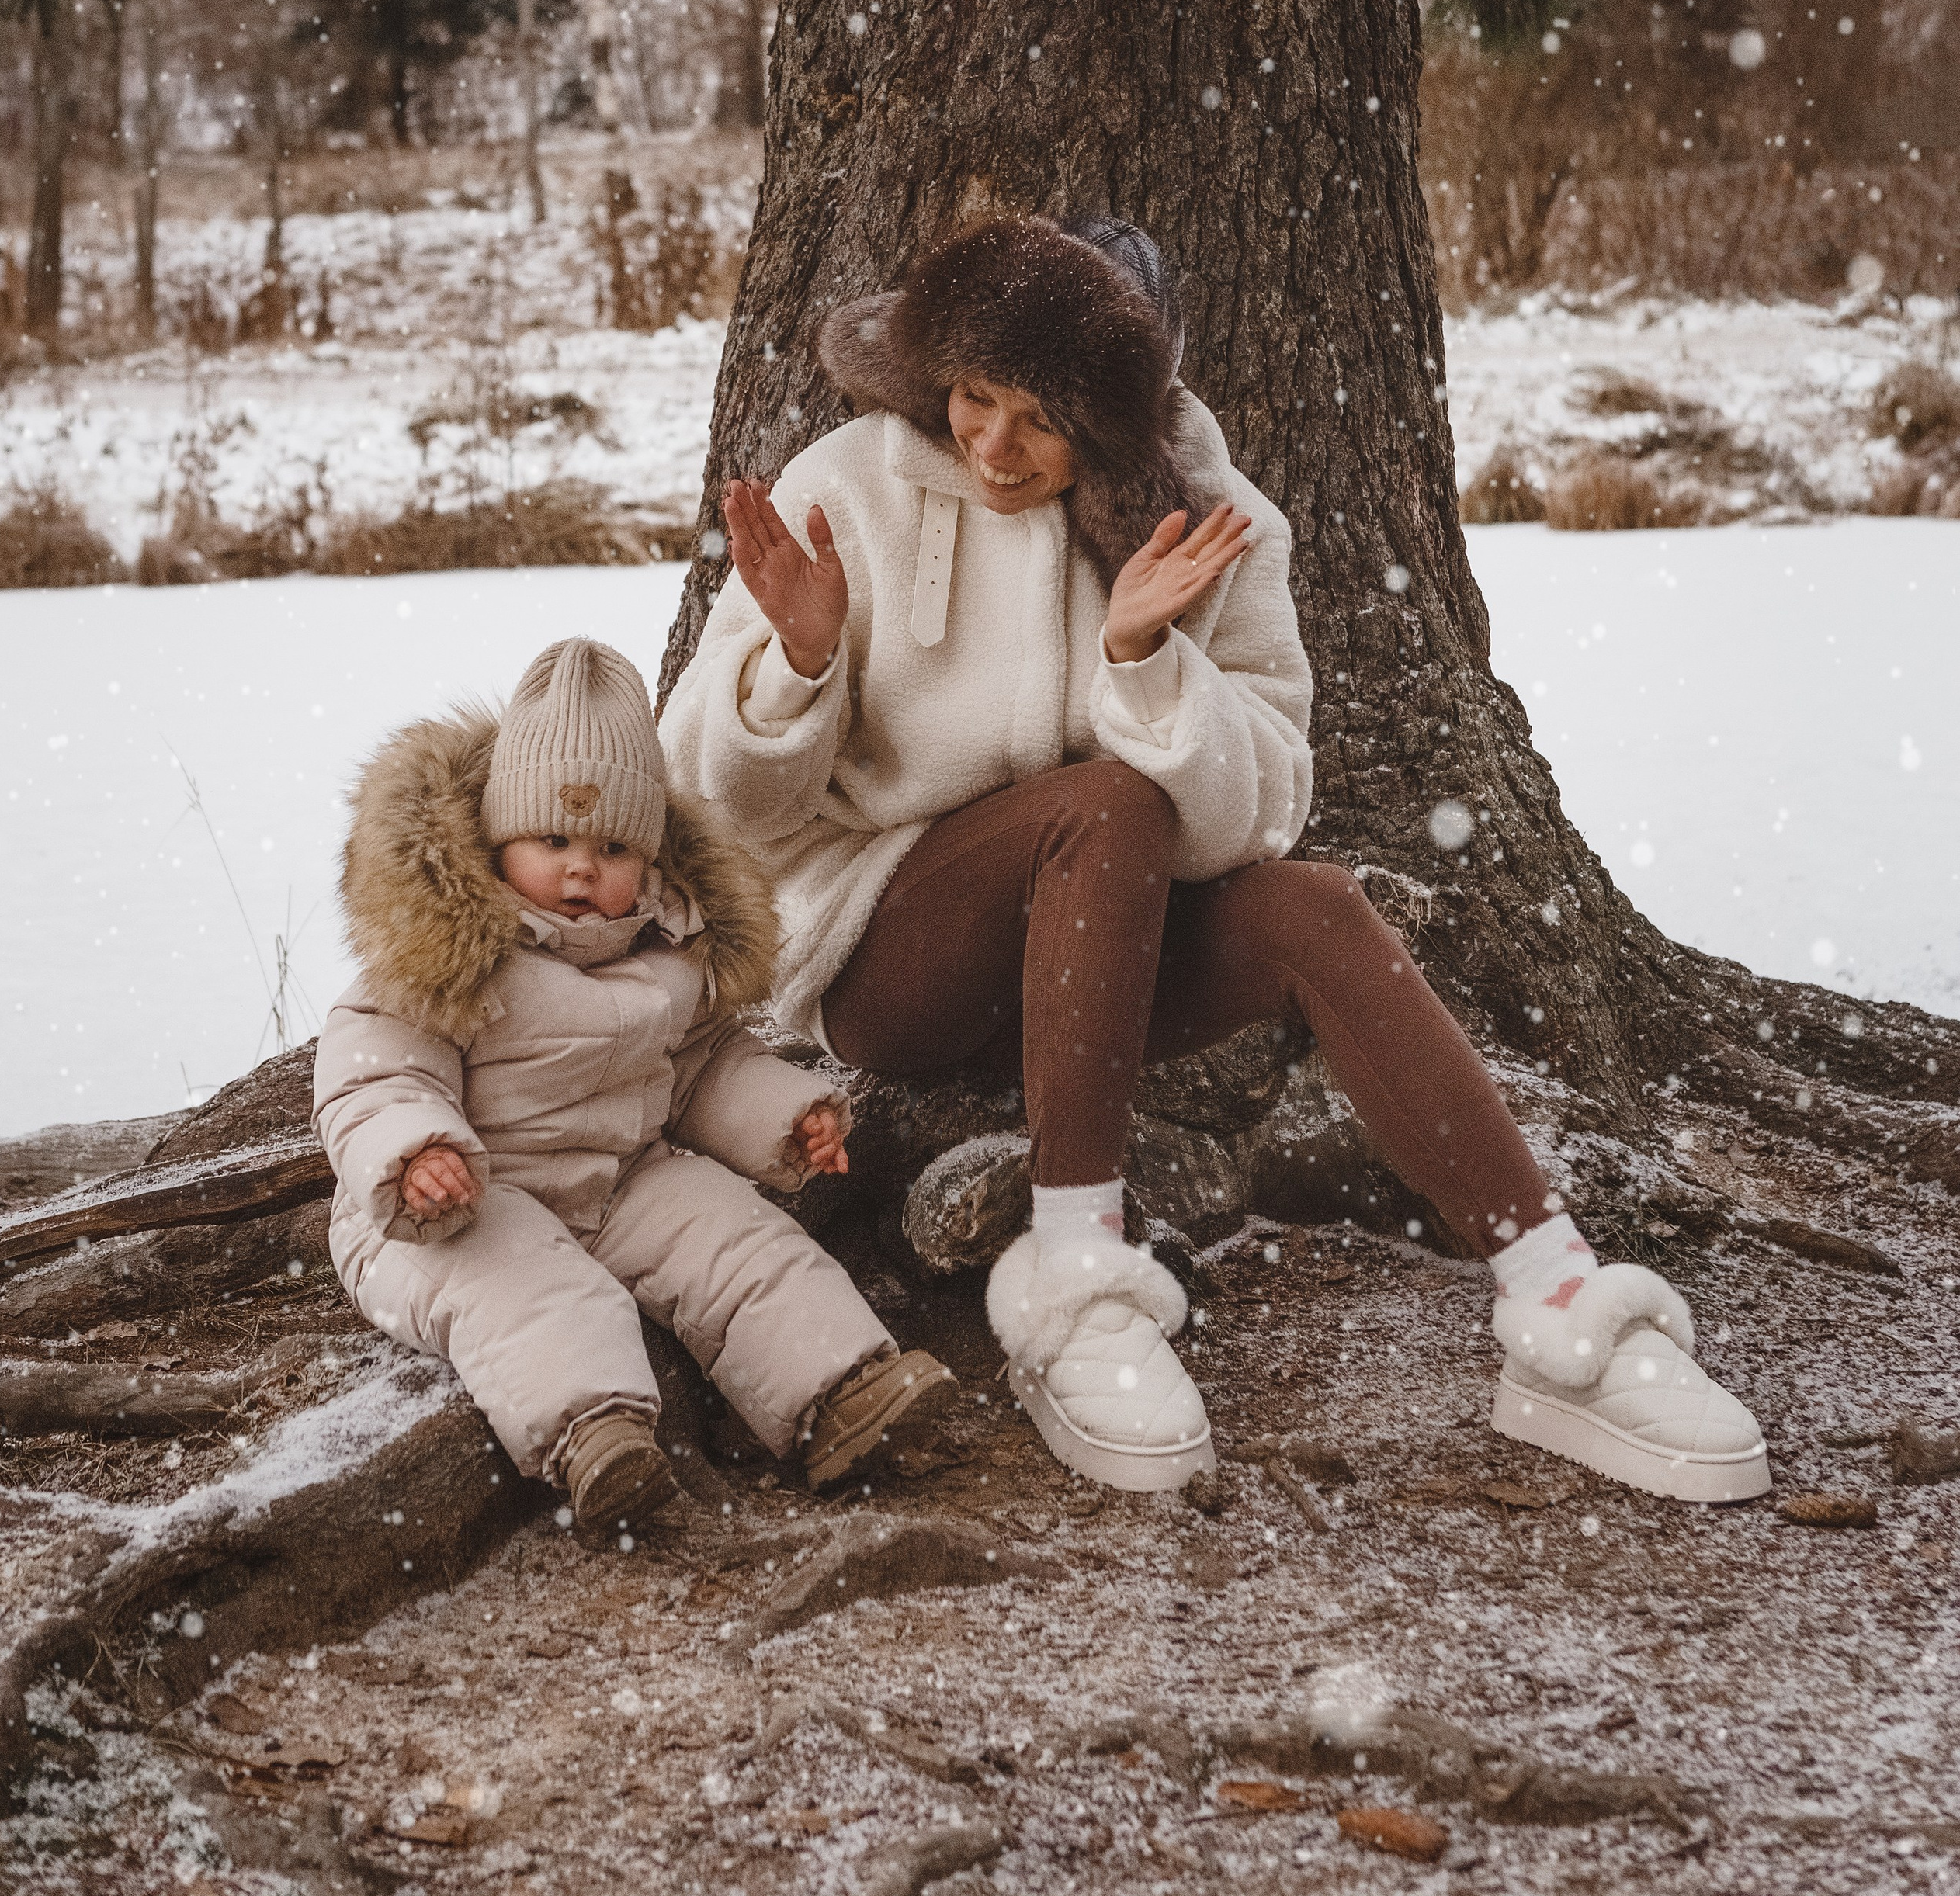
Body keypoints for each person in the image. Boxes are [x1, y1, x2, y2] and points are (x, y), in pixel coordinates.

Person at [661, 215, 1770, 1504]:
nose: (993, 445)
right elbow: (713, 803)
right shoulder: (849, 485)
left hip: (1098, 962)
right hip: (888, 960)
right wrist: (795, 667)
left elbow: (1264, 814)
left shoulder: (1216, 526)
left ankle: (1566, 1308)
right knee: (1106, 806)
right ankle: (1079, 1286)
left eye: (1041, 419)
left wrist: (1144, 661)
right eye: (974, 397)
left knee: (1317, 909)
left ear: (1117, 426)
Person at [314, 636, 952, 1544]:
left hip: (620, 1177)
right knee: (528, 1286)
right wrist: (413, 1153)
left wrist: (787, 1116)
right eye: (552, 840)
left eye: (612, 846)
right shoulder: (450, 947)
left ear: (649, 858)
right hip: (451, 1202)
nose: (581, 868)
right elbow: (376, 1071)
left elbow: (703, 1067)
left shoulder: (665, 949)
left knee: (736, 1239)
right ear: (496, 840)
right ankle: (594, 1435)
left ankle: (840, 1392)